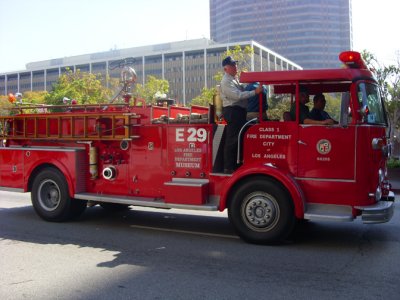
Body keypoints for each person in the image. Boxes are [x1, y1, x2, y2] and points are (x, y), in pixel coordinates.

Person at [220, 56, 262, 174]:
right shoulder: (226, 81)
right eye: (233, 65)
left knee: (238, 138)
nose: (235, 66)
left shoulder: (234, 79)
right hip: (232, 110)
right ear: (226, 68)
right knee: (232, 139)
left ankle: (235, 164)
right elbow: (238, 96)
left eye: (235, 64)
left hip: (239, 111)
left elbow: (242, 91)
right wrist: (255, 92)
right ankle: (228, 167)